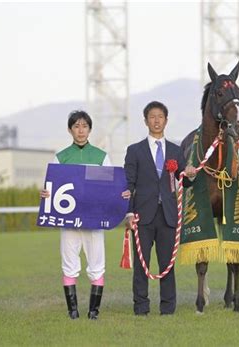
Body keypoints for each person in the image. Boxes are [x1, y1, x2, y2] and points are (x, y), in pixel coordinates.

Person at [40, 110, 131, 320]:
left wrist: (122, 193)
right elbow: (53, 188)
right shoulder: (61, 157)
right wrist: (46, 193)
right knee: (69, 264)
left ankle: (93, 312)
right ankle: (73, 312)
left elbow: (110, 187)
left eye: (84, 126)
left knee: (97, 265)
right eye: (76, 126)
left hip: (94, 220)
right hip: (69, 222)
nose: (80, 131)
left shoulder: (101, 157)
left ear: (90, 129)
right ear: (70, 129)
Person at [124, 101, 196, 316]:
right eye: (152, 117)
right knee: (141, 265)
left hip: (168, 216)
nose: (156, 120)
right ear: (146, 121)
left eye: (160, 116)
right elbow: (128, 185)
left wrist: (191, 174)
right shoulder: (134, 150)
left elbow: (183, 182)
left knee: (167, 264)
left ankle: (168, 308)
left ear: (166, 120)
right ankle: (141, 307)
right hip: (141, 216)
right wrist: (128, 213)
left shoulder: (175, 150)